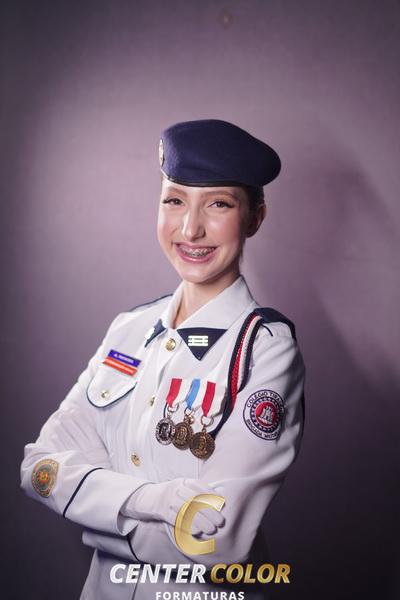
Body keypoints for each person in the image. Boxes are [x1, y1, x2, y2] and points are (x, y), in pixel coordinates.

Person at [21, 119, 305, 600]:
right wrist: (155, 502)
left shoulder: (264, 348)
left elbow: (217, 543)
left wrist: (94, 512)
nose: (190, 228)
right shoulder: (128, 330)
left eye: (218, 204)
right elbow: (39, 470)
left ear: (255, 218)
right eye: (174, 200)